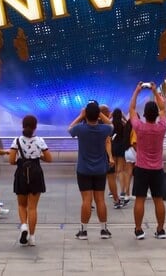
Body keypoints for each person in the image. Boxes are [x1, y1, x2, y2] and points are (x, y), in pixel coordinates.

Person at [68, 100, 114, 240]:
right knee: (100, 200)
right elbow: (111, 125)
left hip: (83, 170)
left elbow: (70, 128)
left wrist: (81, 116)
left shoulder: (81, 129)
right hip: (100, 169)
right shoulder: (104, 129)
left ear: (86, 114)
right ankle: (104, 229)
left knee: (86, 200)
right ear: (98, 115)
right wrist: (100, 113)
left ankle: (83, 231)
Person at [128, 82, 166, 240]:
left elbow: (131, 110)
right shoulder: (162, 127)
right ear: (156, 114)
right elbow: (163, 109)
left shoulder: (139, 127)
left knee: (140, 199)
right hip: (158, 168)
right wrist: (154, 91)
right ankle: (160, 229)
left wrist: (137, 91)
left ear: (144, 114)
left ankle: (138, 229)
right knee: (159, 199)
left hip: (141, 168)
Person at [9, 115, 52, 247]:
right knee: (32, 207)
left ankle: (23, 226)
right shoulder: (40, 141)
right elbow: (49, 158)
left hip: (21, 172)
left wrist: (20, 161)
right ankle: (32, 237)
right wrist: (38, 156)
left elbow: (11, 161)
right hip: (35, 173)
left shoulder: (16, 141)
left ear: (23, 125)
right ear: (35, 127)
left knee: (22, 205)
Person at [99, 104, 122, 208]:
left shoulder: (93, 123)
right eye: (108, 111)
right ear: (106, 112)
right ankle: (116, 200)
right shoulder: (107, 126)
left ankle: (91, 202)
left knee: (95, 180)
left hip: (96, 155)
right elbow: (108, 140)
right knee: (111, 177)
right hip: (107, 154)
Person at [110, 108, 133, 205]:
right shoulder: (123, 125)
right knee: (120, 170)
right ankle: (122, 191)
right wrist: (124, 116)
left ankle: (112, 191)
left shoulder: (110, 125)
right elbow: (130, 123)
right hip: (121, 148)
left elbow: (104, 125)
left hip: (113, 147)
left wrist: (109, 117)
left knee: (113, 171)